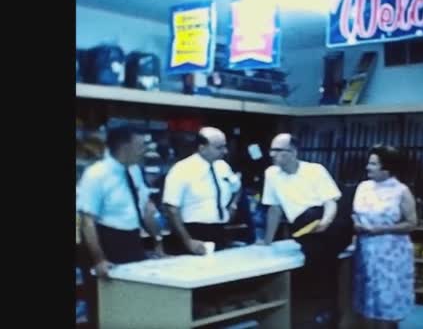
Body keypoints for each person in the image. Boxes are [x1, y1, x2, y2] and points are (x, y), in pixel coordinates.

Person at [260, 133, 352, 328]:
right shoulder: (271, 174)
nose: (273, 154)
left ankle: (324, 309)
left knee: (321, 251)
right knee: (318, 254)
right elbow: (274, 209)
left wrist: (326, 221)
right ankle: (326, 309)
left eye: (278, 150)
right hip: (303, 226)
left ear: (293, 152)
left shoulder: (315, 170)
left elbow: (330, 202)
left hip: (329, 220)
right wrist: (267, 240)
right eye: (272, 150)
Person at [78, 125, 165, 278]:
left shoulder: (134, 170)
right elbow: (87, 222)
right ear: (125, 147)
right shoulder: (96, 175)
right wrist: (99, 260)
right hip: (107, 243)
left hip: (133, 240)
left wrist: (158, 242)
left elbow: (146, 208)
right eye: (140, 146)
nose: (145, 150)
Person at [352, 145, 417, 329]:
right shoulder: (363, 187)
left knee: (388, 302)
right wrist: (356, 223)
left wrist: (379, 229)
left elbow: (411, 223)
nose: (367, 167)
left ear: (387, 167)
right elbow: (355, 213)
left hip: (392, 255)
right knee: (367, 298)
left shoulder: (401, 191)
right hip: (365, 251)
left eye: (373, 164)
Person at [162, 126, 242, 254]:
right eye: (219, 147)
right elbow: (171, 209)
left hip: (220, 230)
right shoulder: (181, 170)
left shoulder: (223, 167)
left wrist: (233, 206)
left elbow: (237, 187)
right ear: (202, 148)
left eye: (224, 146)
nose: (225, 151)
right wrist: (188, 241)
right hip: (192, 232)